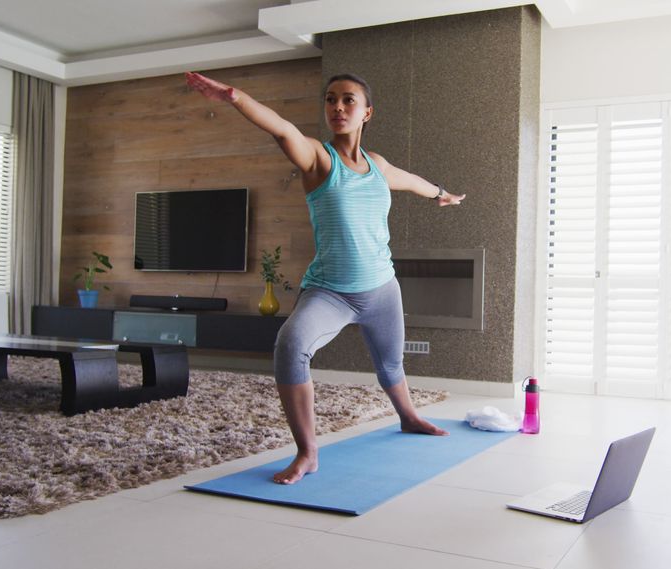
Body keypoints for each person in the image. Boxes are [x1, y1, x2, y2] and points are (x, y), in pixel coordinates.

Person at [185, 71, 465, 484]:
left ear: (366, 112)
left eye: (348, 100)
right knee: (291, 345)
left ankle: (408, 417)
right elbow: (282, 129)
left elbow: (411, 182)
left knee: (390, 364)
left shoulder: (378, 166)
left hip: (382, 288)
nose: (337, 107)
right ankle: (308, 452)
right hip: (330, 292)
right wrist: (233, 97)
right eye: (331, 99)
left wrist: (441, 192)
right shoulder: (318, 158)